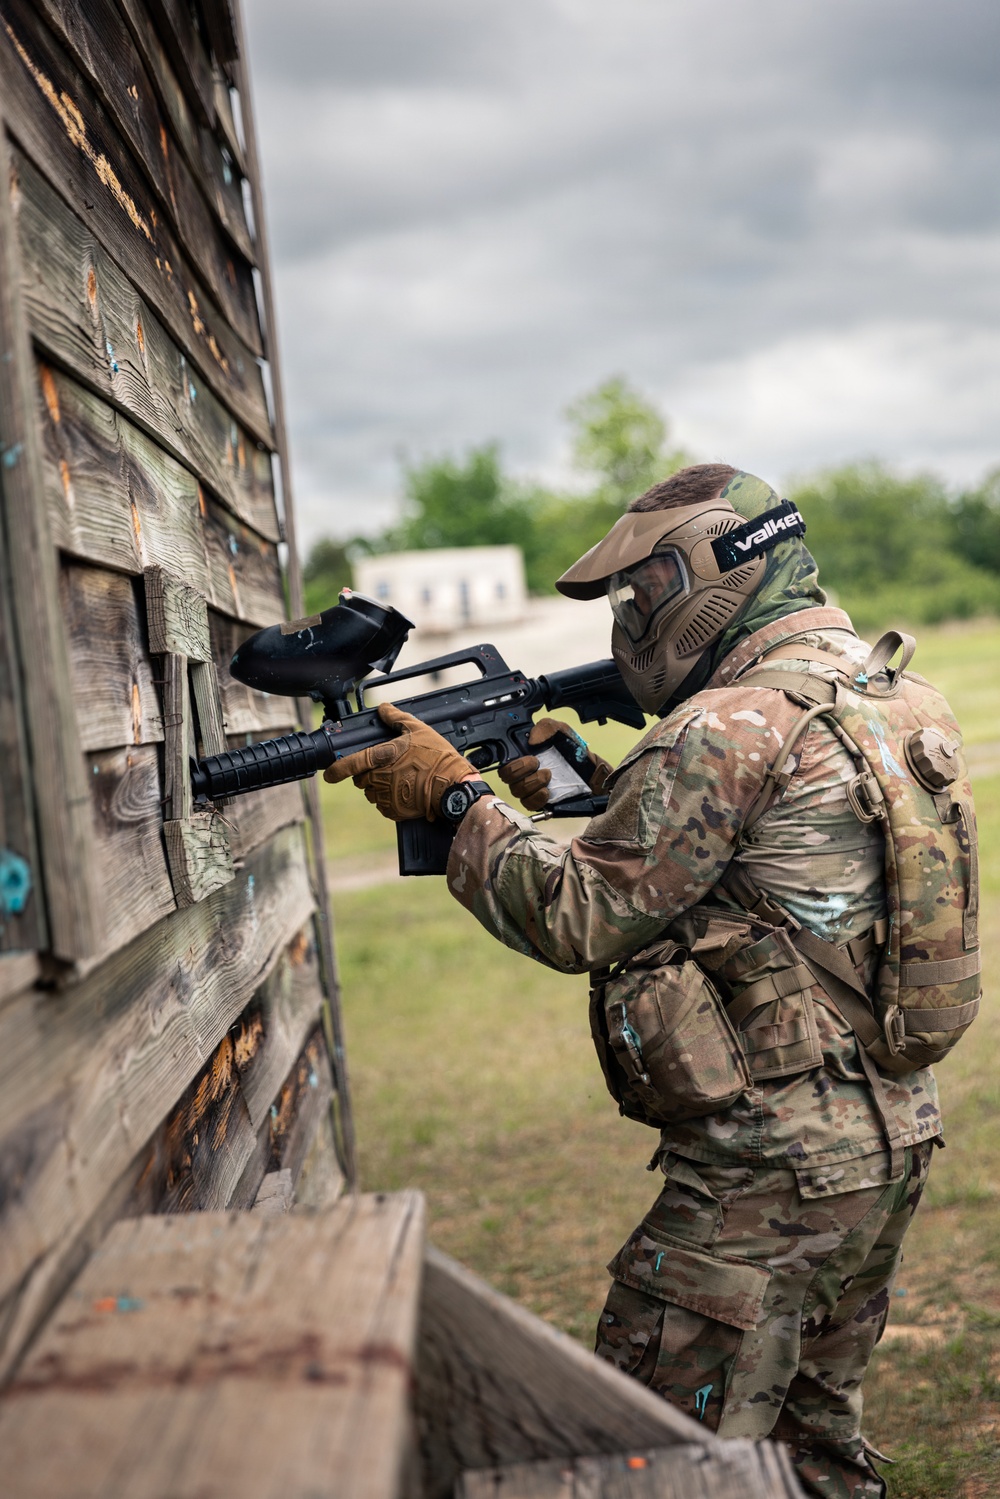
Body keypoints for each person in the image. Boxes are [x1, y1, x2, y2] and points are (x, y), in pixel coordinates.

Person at [326, 464, 978, 1499]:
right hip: (886, 1136)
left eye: (638, 593)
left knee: (647, 1455)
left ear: (704, 578)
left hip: (766, 1166)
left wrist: (456, 804)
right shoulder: (879, 691)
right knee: (809, 1451)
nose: (630, 621)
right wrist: (576, 776)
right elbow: (753, 870)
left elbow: (579, 913)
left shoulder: (721, 726)